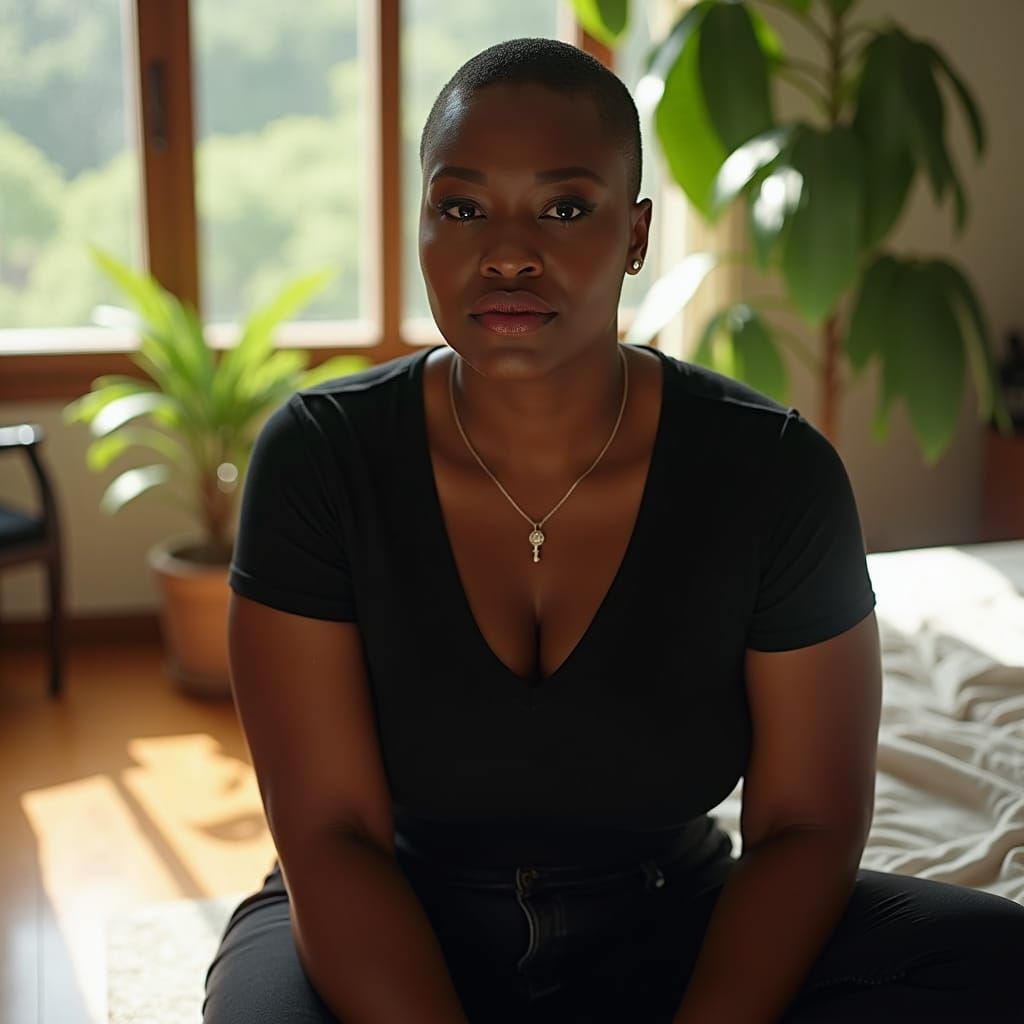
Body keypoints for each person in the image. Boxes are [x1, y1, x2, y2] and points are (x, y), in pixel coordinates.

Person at [202, 36, 1024, 1024]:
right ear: (420, 226)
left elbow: (807, 822)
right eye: (461, 207)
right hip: (391, 919)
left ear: (635, 236)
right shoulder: (320, 458)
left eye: (563, 207)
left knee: (988, 961)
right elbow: (329, 831)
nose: (507, 250)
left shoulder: (772, 472)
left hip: (672, 924)